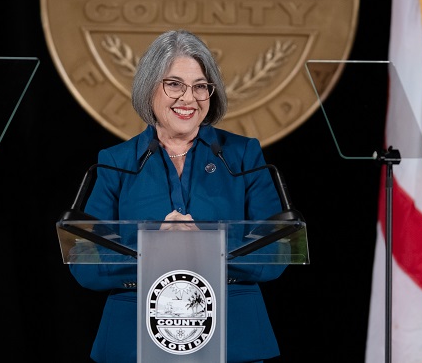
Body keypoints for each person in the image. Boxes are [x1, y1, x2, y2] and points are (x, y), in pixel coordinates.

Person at [69, 29, 288, 362]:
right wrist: (155, 249)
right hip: (133, 342)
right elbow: (84, 262)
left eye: (200, 86)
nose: (188, 98)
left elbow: (277, 251)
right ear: (149, 88)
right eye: (174, 84)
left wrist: (207, 247)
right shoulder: (116, 162)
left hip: (233, 341)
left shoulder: (243, 156)